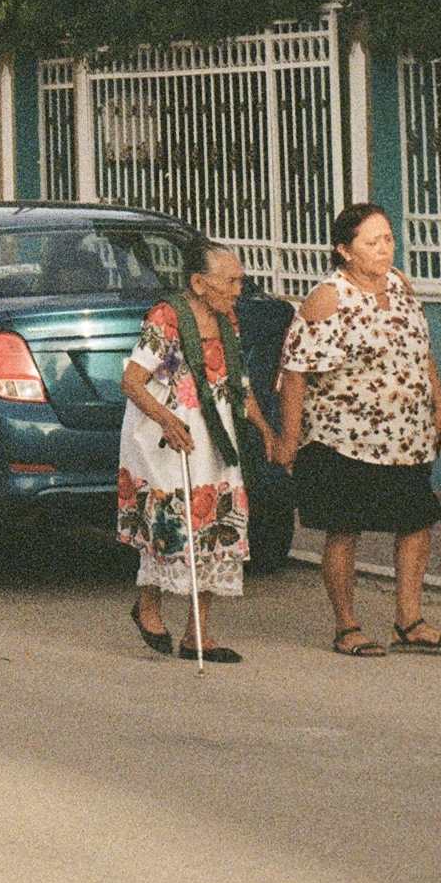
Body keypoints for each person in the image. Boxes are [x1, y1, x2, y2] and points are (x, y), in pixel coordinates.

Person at [274, 200, 441, 657]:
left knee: (417, 522)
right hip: (344, 439)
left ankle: (409, 619)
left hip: (406, 435)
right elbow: (295, 371)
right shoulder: (327, 298)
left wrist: (438, 404)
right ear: (344, 250)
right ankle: (347, 626)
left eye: (388, 239)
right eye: (372, 241)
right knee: (344, 529)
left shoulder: (399, 285)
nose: (384, 249)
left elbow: (421, 349)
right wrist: (289, 440)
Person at [117, 242, 279, 663]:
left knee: (215, 524)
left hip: (215, 435)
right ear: (198, 283)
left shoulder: (227, 318)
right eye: (231, 280)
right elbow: (133, 382)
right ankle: (148, 606)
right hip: (168, 435)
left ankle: (197, 635)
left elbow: (238, 383)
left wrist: (264, 429)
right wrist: (169, 422)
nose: (238, 288)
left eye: (240, 279)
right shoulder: (166, 317)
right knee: (174, 525)